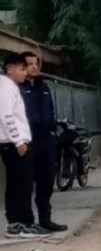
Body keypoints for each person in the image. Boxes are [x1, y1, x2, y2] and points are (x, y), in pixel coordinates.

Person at [1, 54, 49, 238]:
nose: (24, 73)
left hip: (13, 142)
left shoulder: (11, 87)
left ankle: (20, 222)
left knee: (19, 183)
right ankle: (21, 222)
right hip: (13, 144)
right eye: (22, 69)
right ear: (11, 68)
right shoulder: (6, 88)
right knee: (22, 183)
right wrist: (18, 141)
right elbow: (6, 116)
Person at [20, 51, 66, 232]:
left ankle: (45, 219)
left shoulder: (44, 88)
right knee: (25, 183)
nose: (34, 66)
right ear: (22, 67)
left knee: (46, 181)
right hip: (28, 140)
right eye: (29, 63)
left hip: (46, 140)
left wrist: (53, 133)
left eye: (35, 63)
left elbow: (50, 111)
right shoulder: (18, 89)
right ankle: (26, 222)